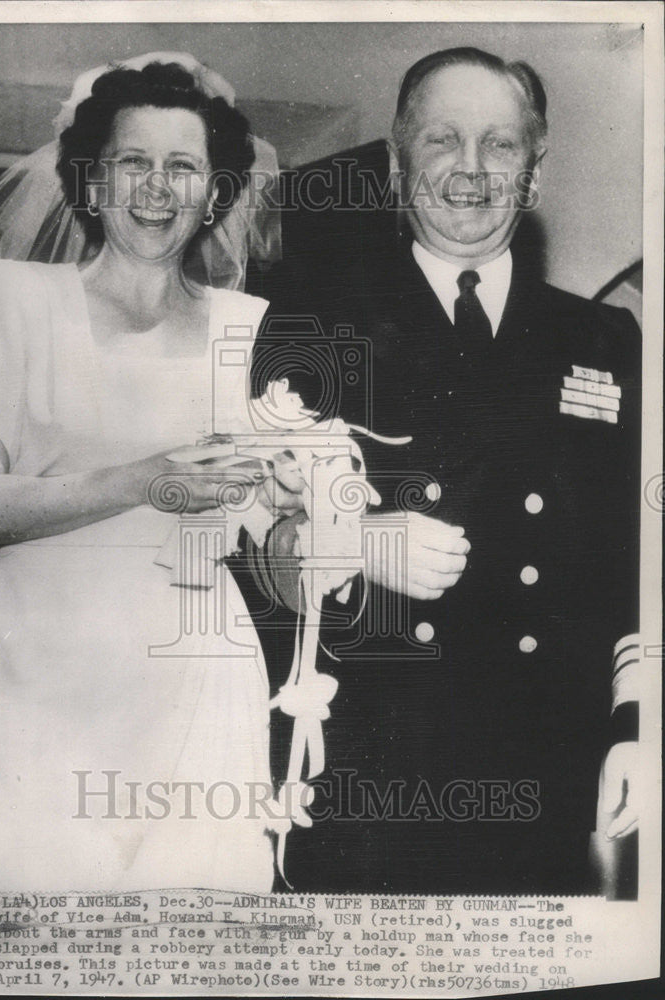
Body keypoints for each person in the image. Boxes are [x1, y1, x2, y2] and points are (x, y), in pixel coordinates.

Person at [251, 47, 641, 895]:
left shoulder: (603, 340)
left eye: (501, 146)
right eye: (442, 141)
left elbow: (629, 556)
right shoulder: (312, 321)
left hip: (546, 763)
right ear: (397, 165)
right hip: (371, 766)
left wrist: (635, 726)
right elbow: (248, 553)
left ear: (533, 172)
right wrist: (347, 546)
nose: (471, 170)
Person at [0, 54, 285, 989]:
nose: (158, 189)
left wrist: (310, 520)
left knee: (184, 961)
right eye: (135, 162)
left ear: (215, 191)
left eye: (184, 167)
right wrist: (142, 481)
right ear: (92, 177)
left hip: (193, 687)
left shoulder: (248, 329)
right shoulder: (14, 301)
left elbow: (261, 526)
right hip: (32, 685)